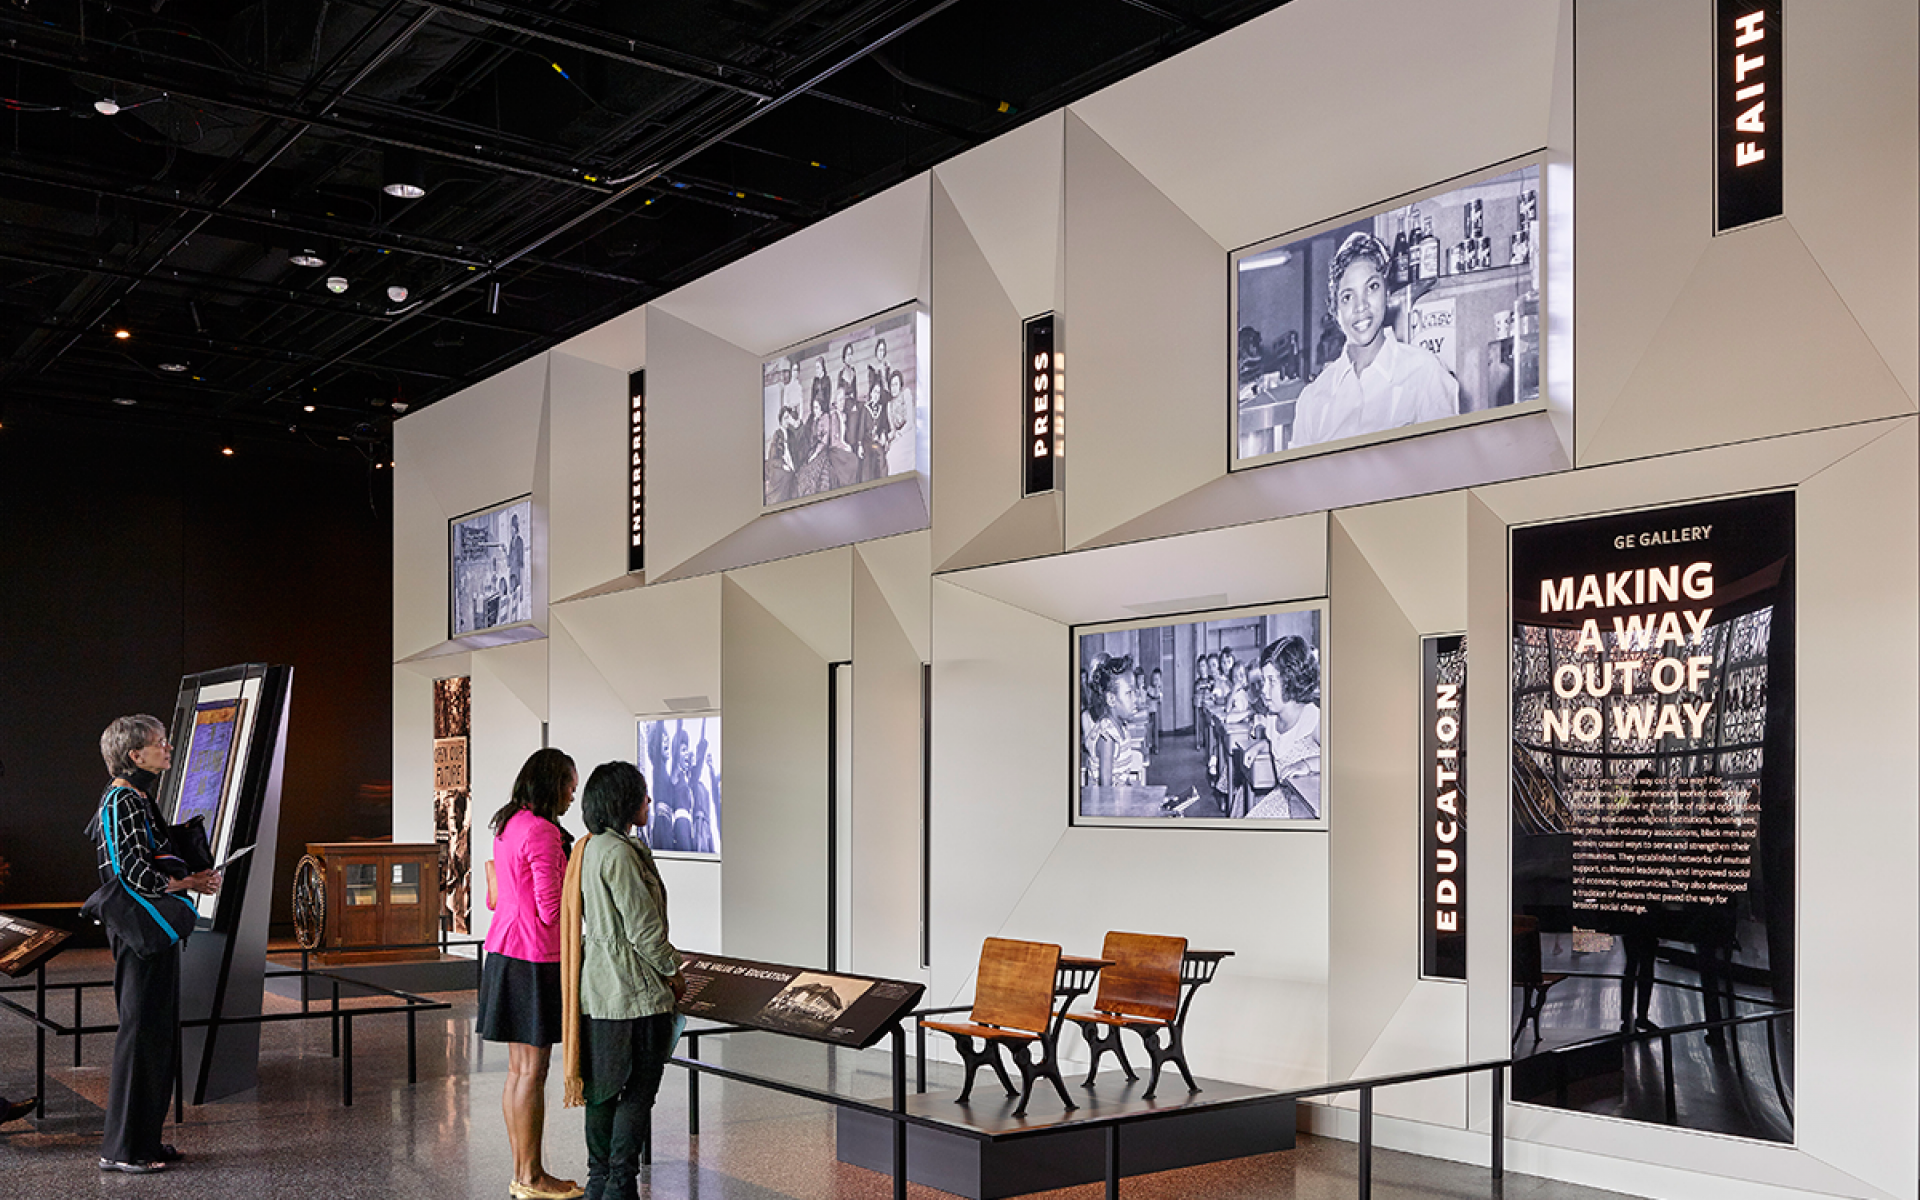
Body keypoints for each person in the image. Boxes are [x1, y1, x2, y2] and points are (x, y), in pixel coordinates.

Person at [88, 714, 221, 1174]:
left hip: (148, 931)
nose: (168, 748)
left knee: (155, 1033)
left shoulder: (139, 798)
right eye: (159, 743)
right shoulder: (123, 799)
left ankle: (143, 1140)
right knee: (141, 1031)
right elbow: (134, 874)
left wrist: (189, 877)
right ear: (134, 755)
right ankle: (123, 1148)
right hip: (138, 932)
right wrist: (187, 882)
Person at [560, 762, 686, 1200]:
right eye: (643, 794)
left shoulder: (592, 848)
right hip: (633, 995)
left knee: (601, 1093)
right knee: (636, 1092)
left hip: (598, 991)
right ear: (624, 801)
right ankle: (619, 1185)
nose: (648, 802)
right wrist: (674, 972)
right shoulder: (618, 853)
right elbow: (643, 930)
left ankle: (599, 1181)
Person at [479, 748, 584, 1200]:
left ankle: (523, 1172)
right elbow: (550, 910)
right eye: (568, 787)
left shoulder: (508, 824)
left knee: (519, 1071)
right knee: (532, 1071)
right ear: (550, 784)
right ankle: (532, 1176)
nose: (571, 798)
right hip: (534, 958)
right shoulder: (541, 832)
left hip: (504, 951)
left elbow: (498, 893)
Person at [1289, 231, 1458, 450]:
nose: (1361, 306)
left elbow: (1448, 466)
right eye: (1347, 297)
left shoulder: (1426, 372)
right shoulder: (1312, 400)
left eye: (1372, 287)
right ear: (1334, 310)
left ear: (1387, 294)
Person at [1245, 636, 1322, 818]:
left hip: (1307, 809)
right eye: (1264, 681)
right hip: (1283, 798)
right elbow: (1282, 742)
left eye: (1272, 681)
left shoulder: (1312, 719)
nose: (1264, 690)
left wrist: (1308, 764)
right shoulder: (1272, 719)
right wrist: (1261, 745)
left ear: (1292, 680)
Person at [1084, 654, 1147, 787]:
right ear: (1111, 699)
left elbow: (1121, 777)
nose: (1135, 699)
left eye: (1135, 692)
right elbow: (1105, 791)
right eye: (1129, 693)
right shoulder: (1108, 737)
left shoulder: (1121, 727)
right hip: (1107, 805)